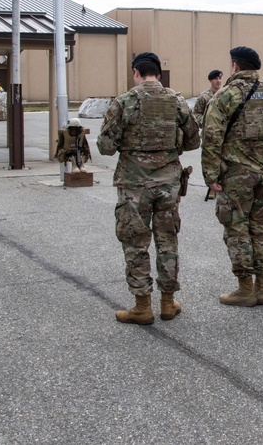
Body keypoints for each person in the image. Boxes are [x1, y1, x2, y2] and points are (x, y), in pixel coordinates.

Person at [96, 52, 200, 324]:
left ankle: (142, 306)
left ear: (136, 72)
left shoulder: (125, 101)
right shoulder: (176, 101)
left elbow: (105, 147)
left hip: (134, 185)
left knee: (135, 241)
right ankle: (168, 303)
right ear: (159, 74)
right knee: (167, 240)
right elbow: (193, 141)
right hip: (168, 183)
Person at [202, 46, 263, 307]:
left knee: (237, 229)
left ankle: (245, 288)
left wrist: (210, 175)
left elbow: (211, 137)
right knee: (261, 229)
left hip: (236, 175)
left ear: (234, 66)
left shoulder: (225, 95)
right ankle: (262, 288)